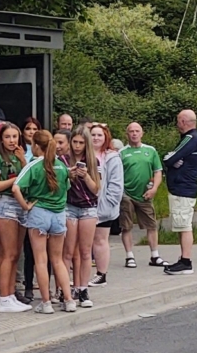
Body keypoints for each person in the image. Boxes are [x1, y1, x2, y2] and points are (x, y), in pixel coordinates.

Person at [13, 130, 75, 314]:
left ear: (36, 147)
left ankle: (46, 303)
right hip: (58, 214)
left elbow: (16, 187)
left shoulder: (34, 164)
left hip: (39, 213)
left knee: (41, 260)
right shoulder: (62, 166)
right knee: (58, 260)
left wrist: (25, 206)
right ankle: (69, 299)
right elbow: (66, 188)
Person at [0, 122, 31, 312]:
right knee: (8, 253)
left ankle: (10, 293)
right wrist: (16, 179)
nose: (12, 141)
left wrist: (23, 162)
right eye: (8, 137)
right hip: (6, 204)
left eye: (15, 137)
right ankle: (4, 297)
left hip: (21, 204)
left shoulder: (19, 155)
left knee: (15, 253)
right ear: (1, 139)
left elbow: (31, 178)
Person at [161, 109, 197, 275]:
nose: (177, 124)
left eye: (179, 121)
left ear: (185, 122)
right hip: (183, 187)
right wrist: (173, 159)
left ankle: (186, 261)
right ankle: (183, 259)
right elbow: (173, 159)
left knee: (184, 225)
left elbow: (169, 159)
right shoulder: (192, 139)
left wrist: (172, 159)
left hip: (183, 188)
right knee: (181, 225)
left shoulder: (191, 138)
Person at [119, 122, 166, 270]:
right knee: (126, 226)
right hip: (126, 193)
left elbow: (158, 171)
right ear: (127, 134)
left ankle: (155, 255)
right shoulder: (121, 153)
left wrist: (155, 188)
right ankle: (129, 256)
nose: (134, 134)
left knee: (151, 225)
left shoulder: (150, 151)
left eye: (137, 131)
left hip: (145, 193)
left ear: (142, 133)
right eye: (131, 131)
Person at [62, 126, 99, 308]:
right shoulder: (63, 160)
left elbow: (96, 189)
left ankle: (83, 289)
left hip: (88, 208)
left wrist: (85, 176)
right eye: (74, 142)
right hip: (69, 206)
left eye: (81, 143)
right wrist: (68, 175)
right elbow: (58, 184)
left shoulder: (92, 162)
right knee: (68, 251)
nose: (77, 146)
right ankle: (65, 289)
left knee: (85, 251)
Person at [89, 124, 123, 288]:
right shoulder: (83, 155)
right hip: (85, 206)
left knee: (100, 240)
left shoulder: (112, 158)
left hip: (104, 208)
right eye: (93, 135)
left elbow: (116, 186)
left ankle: (101, 274)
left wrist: (107, 204)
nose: (96, 138)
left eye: (99, 135)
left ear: (106, 138)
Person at [19, 117, 41, 297]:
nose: (31, 132)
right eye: (28, 128)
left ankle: (41, 284)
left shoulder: (42, 152)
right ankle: (25, 284)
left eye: (35, 128)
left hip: (38, 203)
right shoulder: (18, 150)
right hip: (20, 201)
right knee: (25, 248)